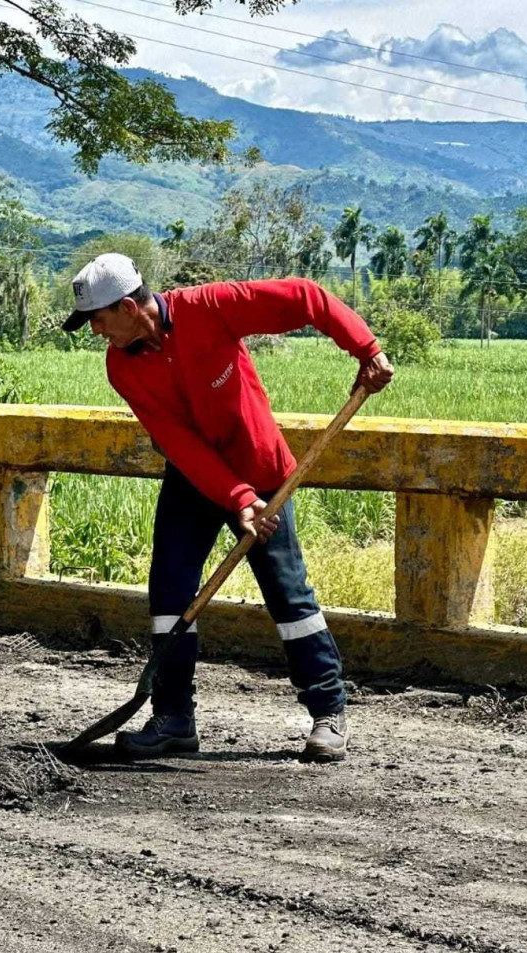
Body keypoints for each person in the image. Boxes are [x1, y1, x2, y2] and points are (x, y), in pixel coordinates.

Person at [63, 253, 393, 762]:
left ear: (128, 307)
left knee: (287, 593)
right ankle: (173, 720)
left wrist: (364, 348)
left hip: (263, 471)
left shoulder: (210, 307)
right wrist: (237, 499)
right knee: (170, 591)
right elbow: (178, 441)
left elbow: (306, 297)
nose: (95, 332)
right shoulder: (121, 366)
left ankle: (329, 713)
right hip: (195, 478)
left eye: (99, 320)